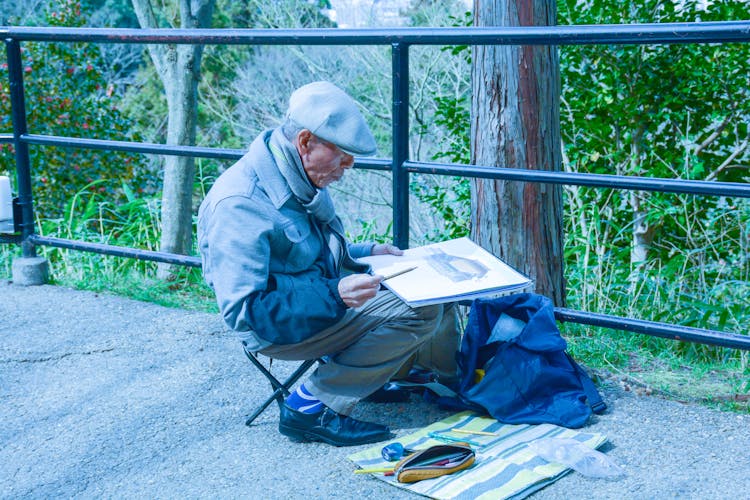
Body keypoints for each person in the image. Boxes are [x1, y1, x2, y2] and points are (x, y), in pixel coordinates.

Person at [197, 81, 459, 447]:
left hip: (317, 301)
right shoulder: (240, 205)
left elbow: (298, 254)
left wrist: (364, 252)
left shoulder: (292, 173)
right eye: (342, 154)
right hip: (278, 329)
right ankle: (308, 407)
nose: (349, 165)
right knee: (422, 308)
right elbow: (247, 312)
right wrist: (335, 293)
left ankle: (393, 379)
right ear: (305, 142)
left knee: (438, 287)